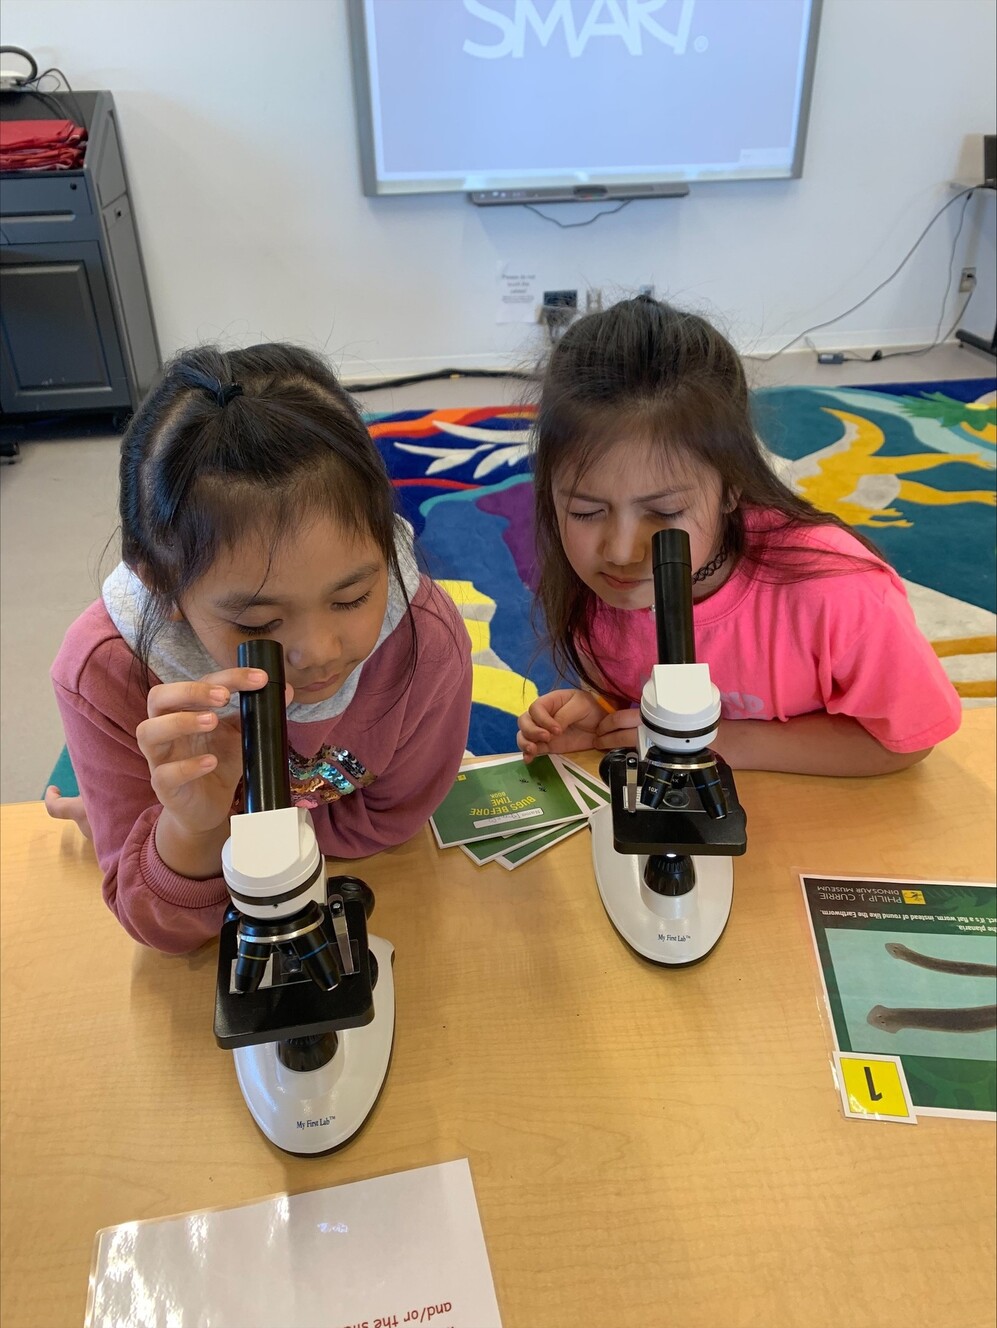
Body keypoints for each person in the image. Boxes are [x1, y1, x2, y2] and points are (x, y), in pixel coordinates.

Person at [49, 343, 471, 954]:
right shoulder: (105, 674)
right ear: (159, 583)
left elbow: (397, 816)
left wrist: (226, 841)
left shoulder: (421, 639)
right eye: (259, 623)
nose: (319, 651)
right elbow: (160, 928)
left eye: (352, 598)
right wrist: (191, 828)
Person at [517, 296, 961, 776]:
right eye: (585, 511)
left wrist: (722, 742)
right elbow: (644, 701)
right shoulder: (601, 594)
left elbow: (907, 740)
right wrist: (606, 719)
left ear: (732, 487)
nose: (622, 551)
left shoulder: (837, 591)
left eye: (664, 511)